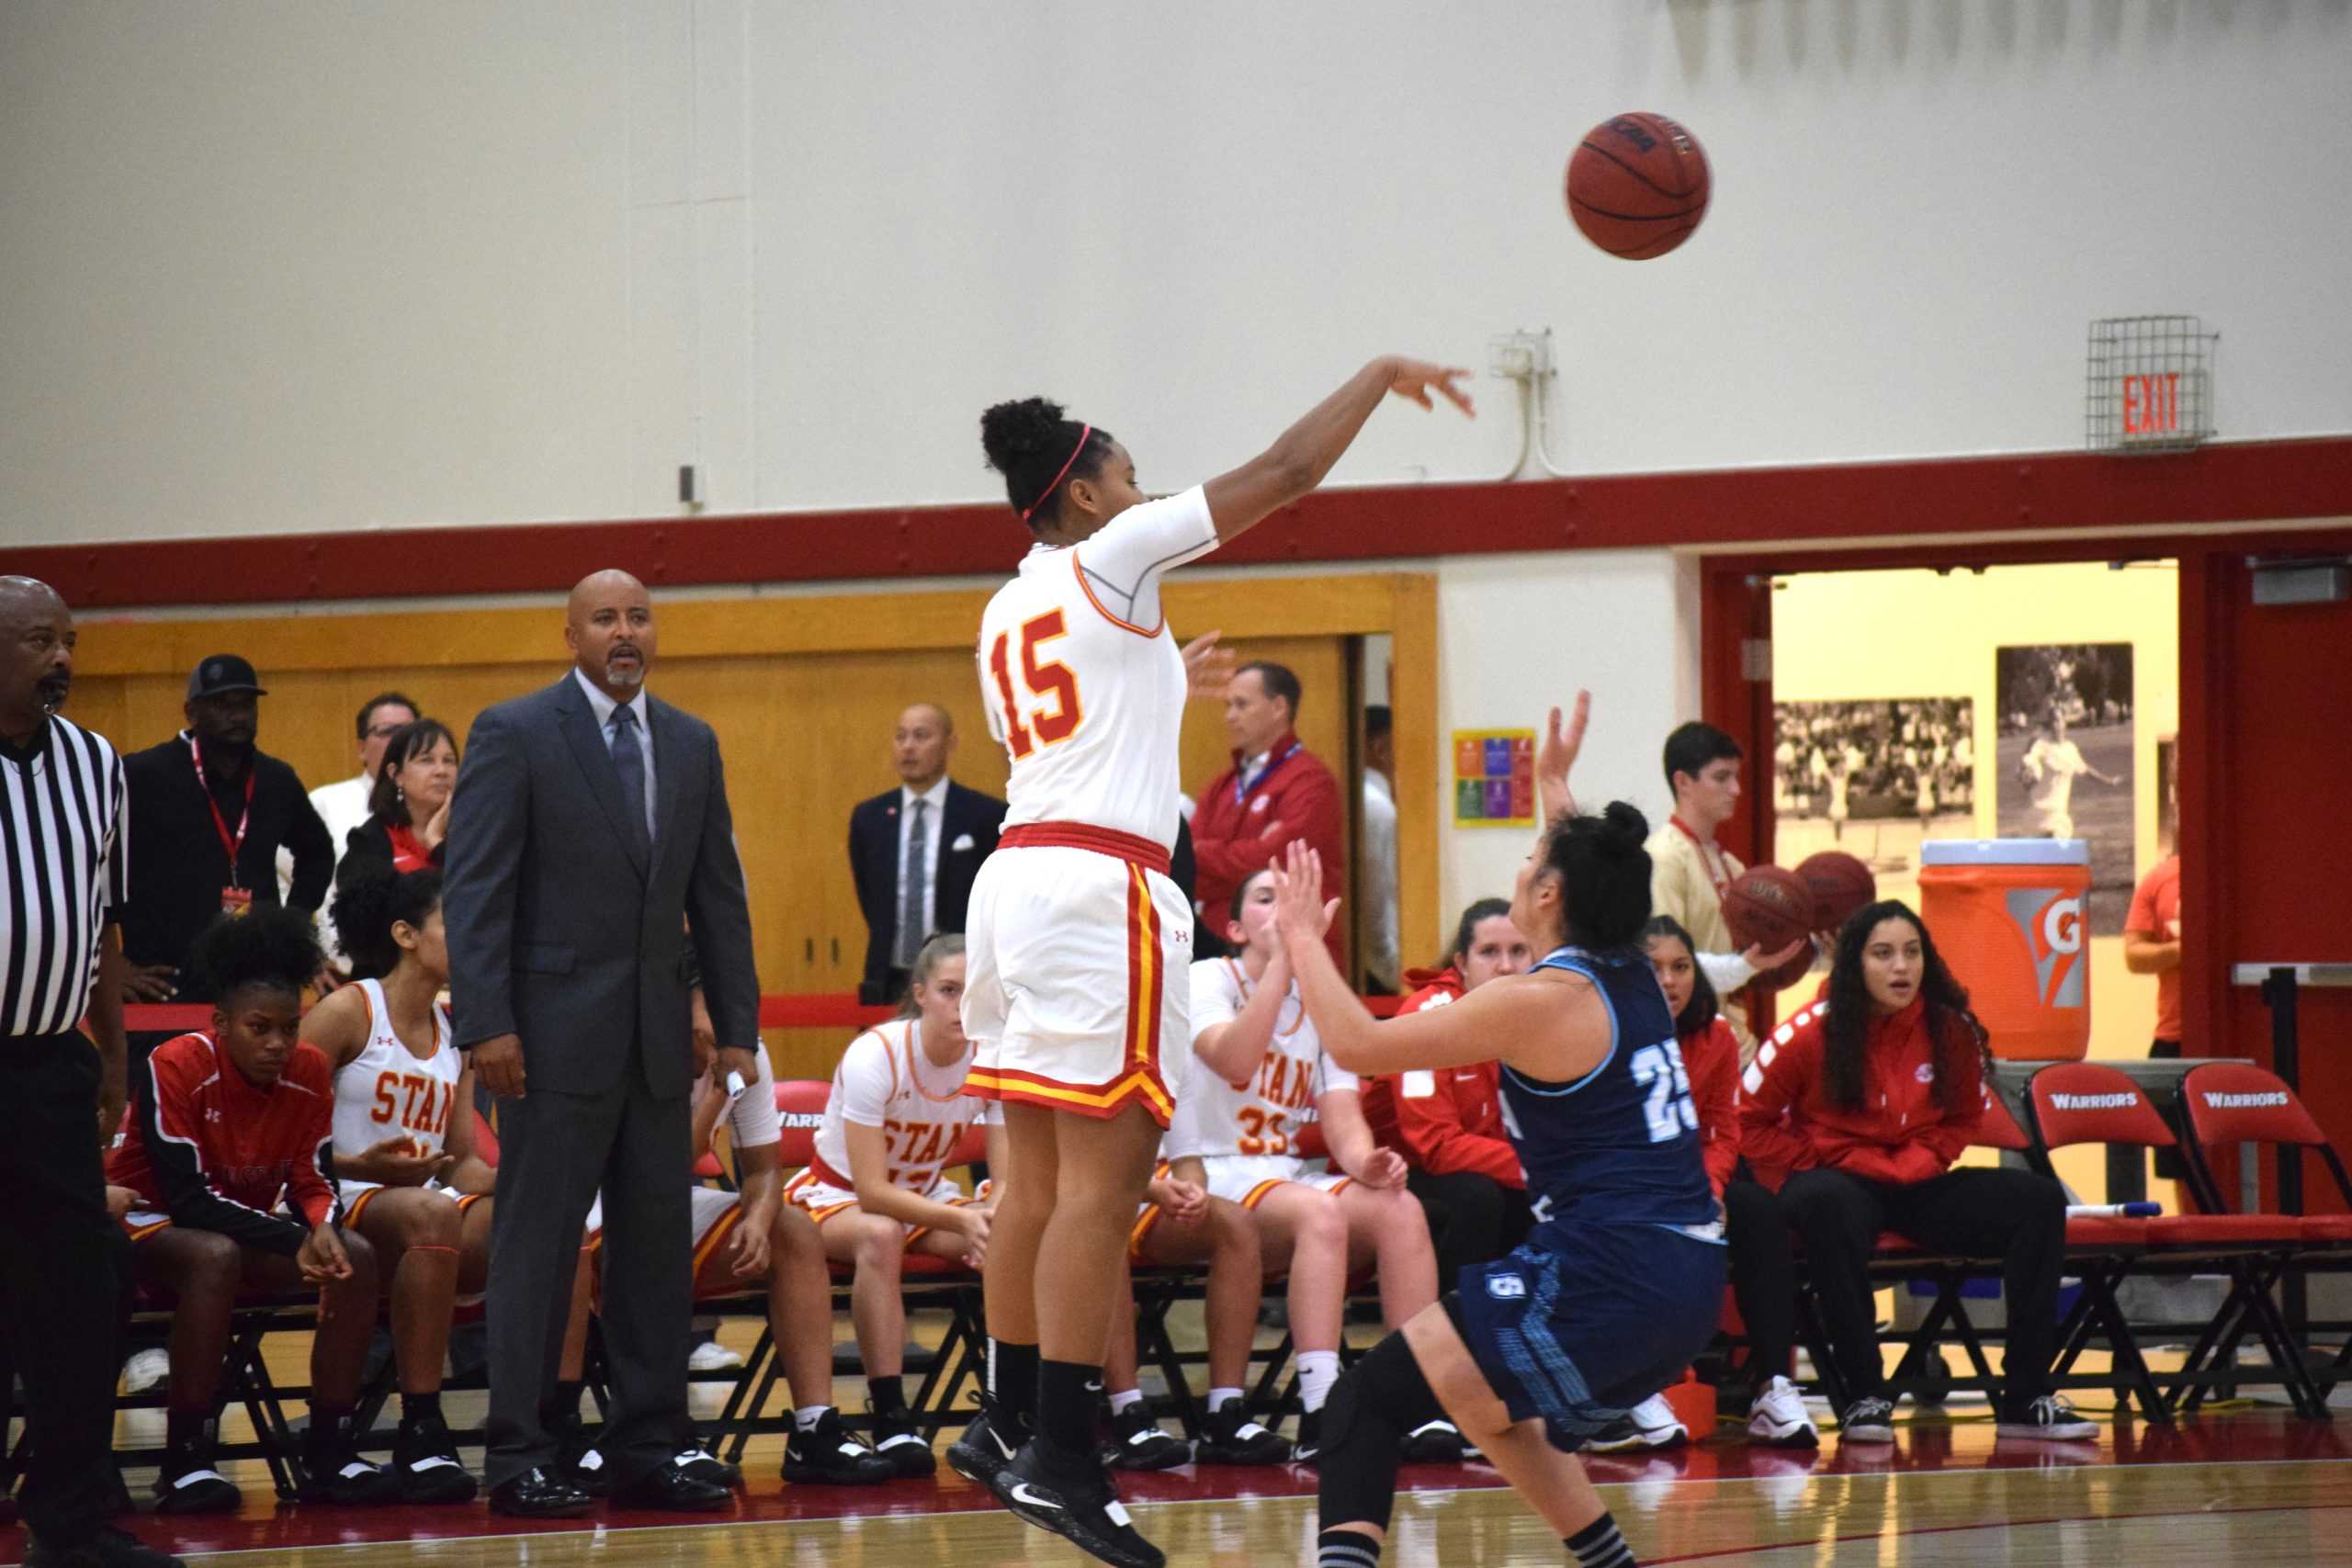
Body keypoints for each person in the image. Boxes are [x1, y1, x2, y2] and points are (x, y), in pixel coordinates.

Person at [952, 357, 1473, 1568]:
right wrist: (1379, 377)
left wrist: (1156, 693)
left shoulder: (1002, 604)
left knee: (1032, 1173)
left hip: (1014, 881)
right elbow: (1286, 475)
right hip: (1098, 889)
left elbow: (1084, 732)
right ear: (1082, 494)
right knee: (1103, 1182)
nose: (1142, 490)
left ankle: (1005, 1416)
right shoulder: (1117, 549)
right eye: (1126, 474)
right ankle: (1068, 1461)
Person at [1274, 694, 1726, 1568]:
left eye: (1528, 861)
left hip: (1613, 1267)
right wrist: (1555, 784)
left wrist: (1300, 937)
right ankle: (1609, 1561)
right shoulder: (1629, 966)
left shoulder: (1535, 1002)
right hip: (1690, 1272)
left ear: (1549, 894)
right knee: (1490, 1412)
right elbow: (1596, 869)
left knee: (1365, 1402)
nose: (1520, 870)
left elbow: (1355, 1041)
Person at [442, 568, 761, 1517]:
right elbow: (477, 889)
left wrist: (736, 1024)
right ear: (570, 634)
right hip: (542, 1043)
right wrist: (486, 1022)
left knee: (655, 1250)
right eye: (605, 619)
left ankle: (648, 1445)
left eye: (638, 617)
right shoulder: (515, 731)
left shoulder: (691, 742)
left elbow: (719, 896)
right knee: (538, 1249)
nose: (625, 632)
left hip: (660, 1044)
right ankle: (520, 1451)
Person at [1738, 900, 2096, 1443]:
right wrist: (1815, 1158)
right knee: (1825, 1204)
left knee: (2040, 1200)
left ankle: (2026, 1396)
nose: (1901, 967)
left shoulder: (1950, 1030)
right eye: (1883, 954)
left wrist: (1924, 1159)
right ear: (1855, 964)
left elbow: (1963, 1117)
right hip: (1838, 1179)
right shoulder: (1809, 1033)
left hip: (1918, 1179)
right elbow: (1746, 1121)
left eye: (1911, 953)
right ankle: (1864, 1397)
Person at [0, 578, 178, 1568]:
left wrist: (110, 1054)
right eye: (37, 642)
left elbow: (105, 930)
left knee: (77, 1289)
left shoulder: (96, 766)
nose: (61, 659)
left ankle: (66, 1523)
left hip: (49, 1067)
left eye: (67, 641)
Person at [107, 909, 396, 1514]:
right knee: (216, 1256)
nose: (277, 1044)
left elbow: (313, 1176)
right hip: (142, 1227)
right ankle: (185, 1457)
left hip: (235, 1227)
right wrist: (296, 1238)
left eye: (289, 1028)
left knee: (357, 1256)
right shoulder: (175, 1063)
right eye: (259, 1027)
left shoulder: (309, 1070)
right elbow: (187, 1200)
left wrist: (322, 1228)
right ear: (221, 1023)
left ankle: (329, 1448)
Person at [1182, 870, 1452, 1464]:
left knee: (1399, 1207)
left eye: (1293, 899)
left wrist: (1365, 1161)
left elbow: (1342, 1116)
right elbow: (1232, 1059)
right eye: (1265, 898)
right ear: (1232, 928)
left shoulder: (1321, 1004)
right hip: (1206, 1170)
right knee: (1320, 1212)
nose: (1283, 910)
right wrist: (1287, 958)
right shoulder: (1206, 978)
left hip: (1279, 1174)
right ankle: (1322, 1410)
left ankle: (1416, 1398)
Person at [303, 864, 494, 1503]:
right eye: (456, 921)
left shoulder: (456, 1031)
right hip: (334, 1201)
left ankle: (558, 1422)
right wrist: (362, 1168)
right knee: (433, 1216)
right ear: (407, 934)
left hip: (416, 1210)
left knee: (543, 1220)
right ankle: (422, 1423)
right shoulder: (348, 1010)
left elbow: (459, 1160)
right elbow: (275, 1132)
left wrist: (516, 1183)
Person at [786, 935, 992, 1478]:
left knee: (1007, 1240)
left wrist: (995, 1218)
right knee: (880, 1233)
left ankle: (1010, 1410)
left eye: (973, 993)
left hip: (925, 1197)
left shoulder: (991, 1055)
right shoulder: (876, 1053)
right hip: (838, 1196)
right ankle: (892, 1415)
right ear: (920, 994)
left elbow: (1010, 1175)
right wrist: (961, 1218)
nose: (962, 1005)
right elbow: (873, 1192)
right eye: (949, 990)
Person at [1613, 917, 1815, 1451]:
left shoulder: (1718, 1036)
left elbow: (1725, 1130)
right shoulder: (1602, 1036)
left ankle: (1773, 1385)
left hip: (1698, 1180)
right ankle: (1634, 1384)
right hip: (1627, 1184)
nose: (1670, 981)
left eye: (1681, 967)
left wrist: (1708, 1191)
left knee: (1761, 1215)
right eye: (1654, 969)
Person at [119, 654, 336, 1021]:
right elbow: (89, 863)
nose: (238, 715)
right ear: (191, 712)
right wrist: (108, 964)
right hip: (164, 980)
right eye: (222, 704)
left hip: (255, 976)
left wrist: (292, 926)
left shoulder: (275, 779)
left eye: (246, 704)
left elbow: (317, 852)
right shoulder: (143, 775)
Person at [1356, 899, 1535, 1294]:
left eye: (1518, 951)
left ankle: (1529, 1334)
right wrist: (1537, 1166)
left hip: (1482, 1165)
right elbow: (1438, 1147)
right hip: (1392, 1169)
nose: (1506, 966)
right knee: (1483, 1197)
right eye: (1489, 952)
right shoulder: (1428, 1018)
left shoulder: (1535, 1015)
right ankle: (1451, 1330)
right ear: (1462, 963)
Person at [1098, 1160, 1294, 1470]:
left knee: (1236, 1221)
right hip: (1077, 1193)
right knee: (1101, 1220)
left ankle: (1225, 1412)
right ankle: (1125, 1411)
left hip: (1140, 1192)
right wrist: (1151, 1188)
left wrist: (1193, 1194)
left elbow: (1187, 1158)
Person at [1644, 722, 1804, 1044]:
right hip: (1687, 1043)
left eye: (1735, 776)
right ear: (1683, 782)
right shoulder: (1664, 858)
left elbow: (1749, 958)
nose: (1736, 790)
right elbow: (1666, 966)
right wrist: (1743, 966)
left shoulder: (1732, 865)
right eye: (1721, 777)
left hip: (1734, 1039)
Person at [1191, 660, 1347, 971]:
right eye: (1228, 705)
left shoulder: (1312, 781)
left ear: (1278, 707)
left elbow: (1277, 866)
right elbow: (1188, 868)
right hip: (1220, 950)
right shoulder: (1222, 785)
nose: (1229, 716)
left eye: (1241, 704)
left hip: (1292, 957)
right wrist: (1247, 854)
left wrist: (1208, 855)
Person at [847, 704, 1006, 1005]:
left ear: (950, 743)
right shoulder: (870, 817)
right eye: (901, 736)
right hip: (888, 976)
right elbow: (869, 895)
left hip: (962, 972)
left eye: (921, 736)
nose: (908, 746)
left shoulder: (985, 815)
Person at [284, 691, 418, 956]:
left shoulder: (439, 806)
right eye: (386, 731)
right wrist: (305, 947)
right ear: (361, 749)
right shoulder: (325, 802)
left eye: (409, 731)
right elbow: (280, 875)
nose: (399, 741)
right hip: (344, 968)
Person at [2123, 850, 2186, 1182]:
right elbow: (2134, 956)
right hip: (2174, 1038)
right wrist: (2178, 951)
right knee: (2179, 1165)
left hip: (2238, 1040)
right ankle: (2187, 1234)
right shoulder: (2162, 877)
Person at [336, 718, 459, 884]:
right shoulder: (369, 841)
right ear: (396, 774)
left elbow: (482, 893)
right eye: (426, 760)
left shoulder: (475, 832)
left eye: (449, 760)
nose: (441, 771)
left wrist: (436, 843)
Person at [2018, 710, 2120, 840]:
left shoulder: (2070, 749)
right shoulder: (2041, 746)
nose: (2056, 725)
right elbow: (2026, 762)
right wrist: (2026, 767)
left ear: (2064, 723)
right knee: (2040, 857)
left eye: (2058, 720)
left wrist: (2108, 781)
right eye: (2052, 721)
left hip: (2058, 814)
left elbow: (2085, 770)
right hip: (2038, 814)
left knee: (2059, 849)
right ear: (2049, 725)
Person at [1359, 705, 1400, 992]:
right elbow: (1373, 896)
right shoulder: (1375, 806)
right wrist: (1389, 969)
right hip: (1377, 963)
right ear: (1382, 747)